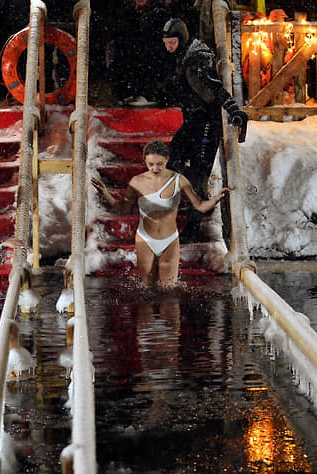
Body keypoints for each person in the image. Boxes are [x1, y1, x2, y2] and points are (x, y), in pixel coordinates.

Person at [91, 140, 232, 288]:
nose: (155, 168)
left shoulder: (178, 180)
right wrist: (106, 194)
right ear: (145, 160)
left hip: (169, 240)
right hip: (145, 239)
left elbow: (200, 206)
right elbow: (123, 207)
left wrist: (217, 198)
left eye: (160, 164)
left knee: (169, 290)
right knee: (146, 289)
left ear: (167, 160)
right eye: (151, 164)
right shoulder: (137, 182)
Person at [159, 17, 247, 243]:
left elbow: (215, 87)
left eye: (171, 43)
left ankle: (194, 223)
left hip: (208, 122)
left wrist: (233, 108)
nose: (168, 47)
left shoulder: (196, 60)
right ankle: (194, 199)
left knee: (199, 172)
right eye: (166, 43)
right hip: (192, 121)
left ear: (182, 39)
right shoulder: (182, 55)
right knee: (172, 159)